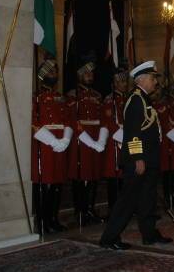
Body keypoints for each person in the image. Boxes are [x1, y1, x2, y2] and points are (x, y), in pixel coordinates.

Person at [100, 61, 173, 250]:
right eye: (152, 78)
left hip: (149, 158)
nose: (155, 82)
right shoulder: (135, 100)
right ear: (142, 79)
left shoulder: (144, 99)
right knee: (128, 201)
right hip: (139, 160)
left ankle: (149, 235)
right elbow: (132, 132)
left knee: (147, 200)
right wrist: (137, 158)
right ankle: (109, 238)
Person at [31, 58, 72, 234]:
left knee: (57, 184)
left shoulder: (61, 98)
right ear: (41, 75)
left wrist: (66, 139)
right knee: (45, 184)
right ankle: (41, 221)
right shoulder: (35, 98)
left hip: (61, 144)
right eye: (50, 71)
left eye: (55, 72)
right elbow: (32, 123)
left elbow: (69, 120)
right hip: (45, 144)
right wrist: (53, 141)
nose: (54, 75)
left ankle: (53, 219)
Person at [67, 54, 107, 225]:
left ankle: (90, 209)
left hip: (96, 141)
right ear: (79, 75)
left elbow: (103, 119)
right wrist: (89, 140)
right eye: (86, 74)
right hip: (81, 142)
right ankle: (80, 211)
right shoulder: (72, 96)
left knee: (93, 177)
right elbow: (72, 120)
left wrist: (100, 140)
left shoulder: (98, 96)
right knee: (80, 177)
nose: (90, 76)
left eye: (91, 74)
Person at [101, 68, 128, 215]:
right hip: (116, 142)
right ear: (115, 83)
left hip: (127, 140)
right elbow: (109, 123)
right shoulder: (109, 100)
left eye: (125, 81)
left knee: (127, 177)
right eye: (122, 81)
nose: (125, 84)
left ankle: (126, 207)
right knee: (114, 177)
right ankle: (114, 208)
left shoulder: (127, 99)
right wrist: (124, 138)